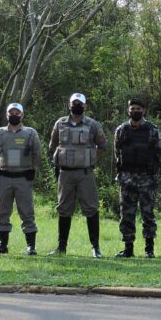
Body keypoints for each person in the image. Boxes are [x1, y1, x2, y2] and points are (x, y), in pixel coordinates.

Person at [48, 93, 107, 257]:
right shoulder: (60, 123)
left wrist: (92, 161)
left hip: (85, 174)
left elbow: (103, 146)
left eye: (80, 103)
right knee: (64, 209)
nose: (77, 106)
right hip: (65, 174)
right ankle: (61, 247)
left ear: (85, 106)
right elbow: (52, 145)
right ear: (69, 105)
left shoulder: (93, 124)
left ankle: (95, 248)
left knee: (91, 208)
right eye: (74, 103)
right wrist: (59, 161)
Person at [113, 98, 161, 258]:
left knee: (148, 214)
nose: (135, 111)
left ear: (144, 110)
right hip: (127, 179)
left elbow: (159, 154)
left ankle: (149, 249)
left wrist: (153, 173)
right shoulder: (121, 130)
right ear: (128, 110)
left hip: (147, 179)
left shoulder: (152, 130)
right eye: (132, 108)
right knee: (126, 214)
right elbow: (116, 154)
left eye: (138, 108)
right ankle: (128, 248)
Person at [0, 102, 42, 255]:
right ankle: (2, 245)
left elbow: (37, 154)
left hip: (23, 178)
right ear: (7, 115)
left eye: (17, 113)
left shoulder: (30, 133)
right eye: (11, 113)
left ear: (22, 115)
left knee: (27, 211)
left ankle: (31, 246)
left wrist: (31, 168)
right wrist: (3, 165)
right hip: (4, 177)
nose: (14, 115)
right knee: (2, 212)